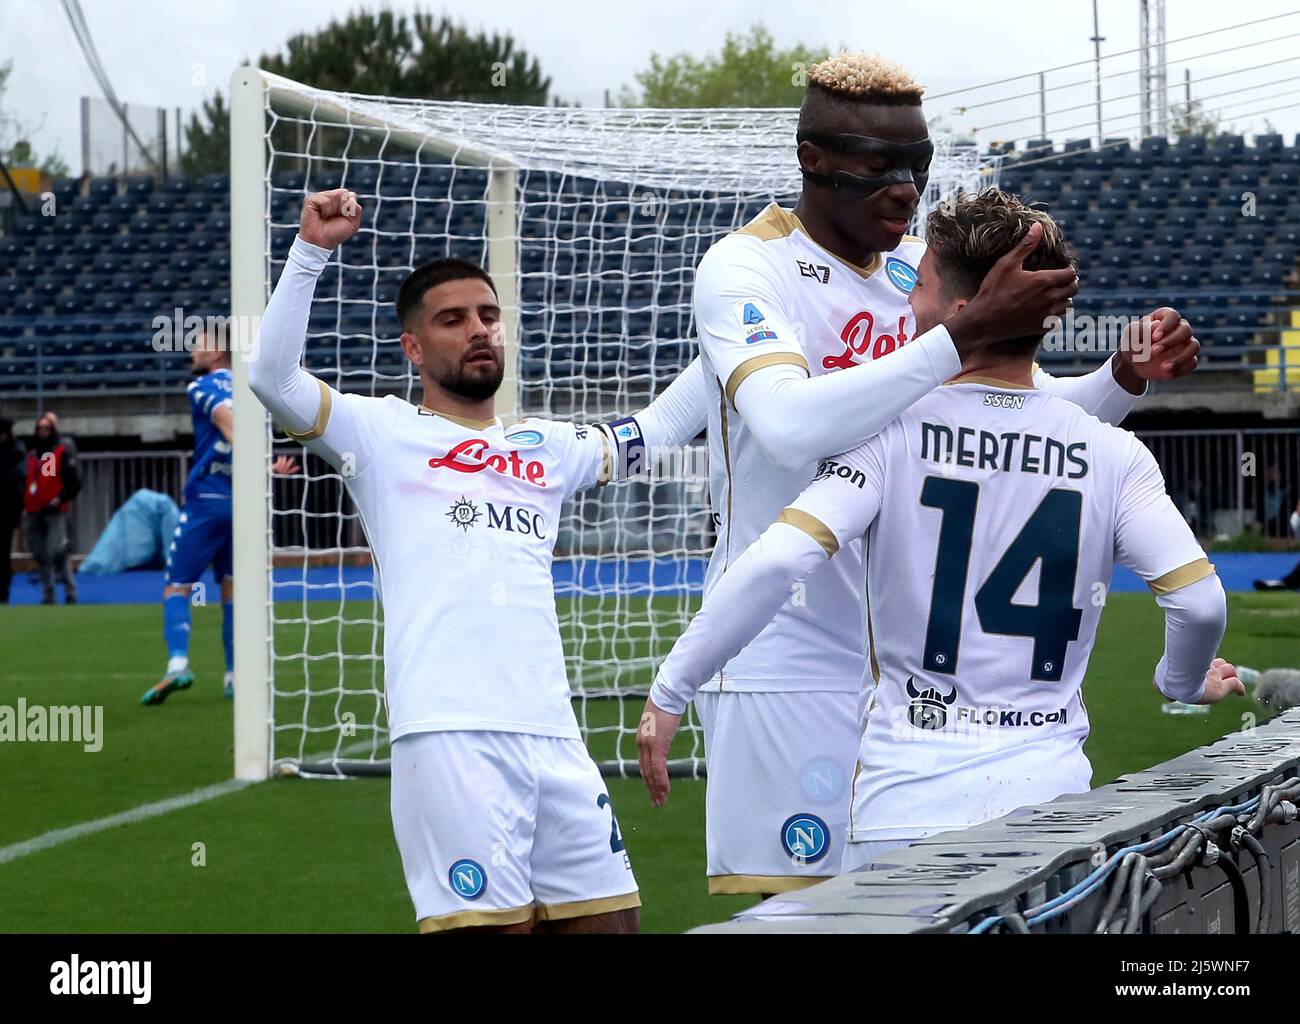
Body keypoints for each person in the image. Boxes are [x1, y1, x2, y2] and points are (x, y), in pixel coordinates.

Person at [657, 51, 1203, 896]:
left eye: (919, 166)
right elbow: (789, 425)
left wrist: (1121, 379)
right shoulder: (744, 269)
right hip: (783, 652)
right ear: (812, 159)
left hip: (907, 682)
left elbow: (1034, 422)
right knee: (800, 917)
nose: (907, 190)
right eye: (879, 168)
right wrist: (958, 334)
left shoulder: (921, 271)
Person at [248, 188, 705, 933]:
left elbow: (656, 429)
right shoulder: (381, 433)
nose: (478, 330)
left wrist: (737, 338)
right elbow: (273, 378)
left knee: (615, 925)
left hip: (554, 735)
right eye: (453, 320)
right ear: (413, 346)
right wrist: (309, 253)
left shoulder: (547, 448)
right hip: (450, 732)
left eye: (488, 316)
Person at [142, 330, 300, 705]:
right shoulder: (250, 387)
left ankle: (178, 664)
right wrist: (267, 465)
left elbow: (228, 424)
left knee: (177, 586)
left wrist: (241, 443)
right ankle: (234, 675)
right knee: (231, 589)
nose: (193, 351)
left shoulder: (200, 386)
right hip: (245, 502)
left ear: (216, 352)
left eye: (199, 344)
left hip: (208, 500)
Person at [24, 411, 80, 605]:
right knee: (40, 553)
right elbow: (36, 480)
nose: (42, 432)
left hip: (54, 509)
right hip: (34, 509)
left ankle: (69, 590)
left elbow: (69, 481)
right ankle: (48, 593)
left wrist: (59, 498)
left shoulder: (57, 452)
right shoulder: (34, 454)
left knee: (57, 551)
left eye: (46, 428)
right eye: (40, 428)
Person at [0, 416, 26, 602]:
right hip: (8, 507)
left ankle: (4, 591)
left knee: (3, 552)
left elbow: (18, 474)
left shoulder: (16, 450)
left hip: (7, 510)